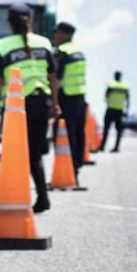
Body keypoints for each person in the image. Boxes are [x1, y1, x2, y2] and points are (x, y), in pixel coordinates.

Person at [0, 4, 60, 213]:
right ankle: (41, 196)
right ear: (30, 20)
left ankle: (19, 197)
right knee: (34, 154)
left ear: (9, 23)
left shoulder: (3, 46)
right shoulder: (44, 43)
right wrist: (56, 104)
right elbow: (53, 78)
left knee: (14, 153)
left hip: (16, 109)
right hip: (42, 103)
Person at [51, 22, 87, 182]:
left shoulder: (62, 53)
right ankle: (76, 168)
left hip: (66, 98)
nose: (55, 36)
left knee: (63, 136)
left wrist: (54, 102)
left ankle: (67, 170)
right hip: (79, 97)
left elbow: (56, 78)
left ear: (65, 34)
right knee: (79, 134)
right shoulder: (79, 51)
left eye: (57, 33)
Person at [98, 71, 130, 153]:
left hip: (110, 108)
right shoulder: (125, 87)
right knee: (119, 130)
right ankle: (116, 147)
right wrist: (127, 110)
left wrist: (108, 102)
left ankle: (102, 146)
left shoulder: (111, 85)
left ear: (114, 76)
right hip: (120, 110)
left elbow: (106, 96)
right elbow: (128, 99)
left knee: (106, 129)